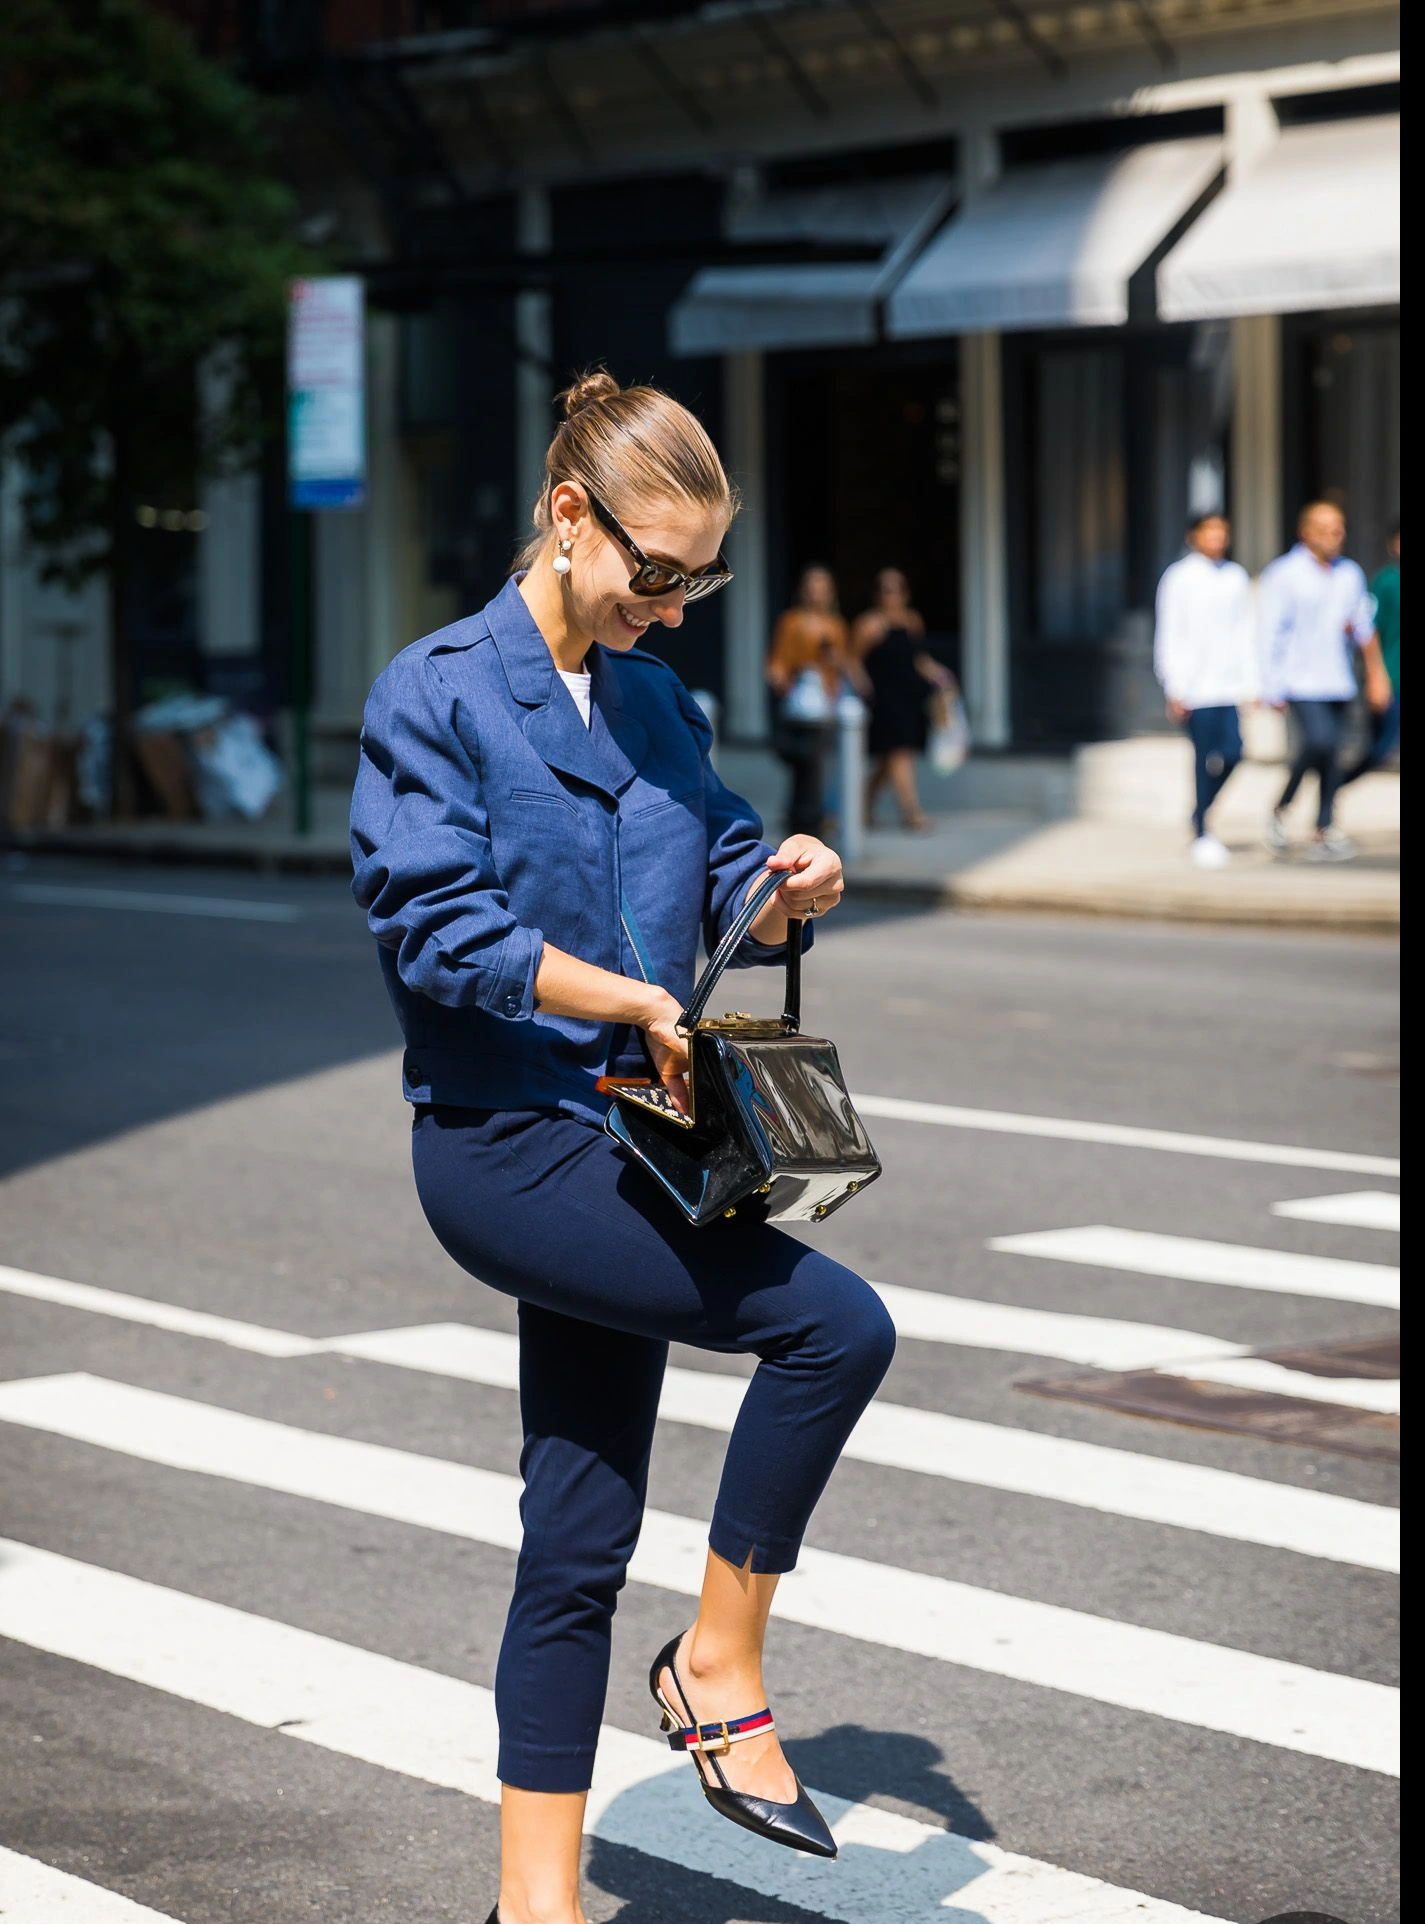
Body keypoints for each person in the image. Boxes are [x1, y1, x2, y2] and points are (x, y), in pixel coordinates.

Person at [350, 372, 895, 1924]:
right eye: (655, 572)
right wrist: (627, 998)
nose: (670, 608)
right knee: (834, 1329)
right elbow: (436, 927)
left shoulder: (655, 699)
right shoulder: (437, 692)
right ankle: (716, 1662)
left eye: (697, 581)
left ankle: (534, 1905)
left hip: (638, 1144)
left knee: (577, 1531)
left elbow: (718, 861)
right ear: (566, 514)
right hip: (509, 1144)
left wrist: (785, 882)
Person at [1260, 500, 1395, 861]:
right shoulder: (1285, 574)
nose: (1335, 536)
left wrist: (1377, 675)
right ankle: (1283, 805)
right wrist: (1269, 685)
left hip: (1338, 677)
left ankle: (1324, 826)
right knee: (1320, 741)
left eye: (1338, 529)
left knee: (1333, 754)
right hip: (1299, 678)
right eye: (1325, 529)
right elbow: (1270, 632)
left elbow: (1364, 628)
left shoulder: (1349, 574)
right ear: (1306, 532)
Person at [1152, 512, 1257, 868]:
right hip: (1195, 687)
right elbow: (1170, 632)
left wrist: (1251, 682)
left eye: (1221, 531)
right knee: (1203, 757)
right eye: (1209, 531)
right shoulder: (1179, 577)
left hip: (1227, 685)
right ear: (1193, 536)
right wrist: (1174, 685)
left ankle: (1201, 810)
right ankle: (1202, 830)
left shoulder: (1235, 576)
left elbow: (1245, 631)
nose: (1216, 538)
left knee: (1234, 752)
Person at [852, 567, 955, 831]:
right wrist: (863, 687)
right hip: (883, 700)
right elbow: (853, 660)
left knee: (888, 762)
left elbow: (918, 658)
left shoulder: (912, 621)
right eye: (886, 590)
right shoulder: (869, 624)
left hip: (909, 697)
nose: (891, 596)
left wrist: (941, 676)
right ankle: (912, 813)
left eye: (897, 590)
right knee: (900, 754)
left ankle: (861, 806)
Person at [765, 565, 856, 835]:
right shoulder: (791, 621)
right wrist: (780, 679)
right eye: (812, 587)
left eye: (822, 588)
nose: (817, 594)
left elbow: (842, 663)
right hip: (799, 698)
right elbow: (778, 660)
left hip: (824, 701)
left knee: (819, 764)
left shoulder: (835, 625)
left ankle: (815, 817)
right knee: (801, 763)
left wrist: (835, 665)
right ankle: (801, 817)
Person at [1340, 518, 1400, 786]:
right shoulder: (1386, 583)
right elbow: (1368, 630)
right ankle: (1334, 786)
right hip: (1393, 678)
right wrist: (1376, 676)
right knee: (1379, 749)